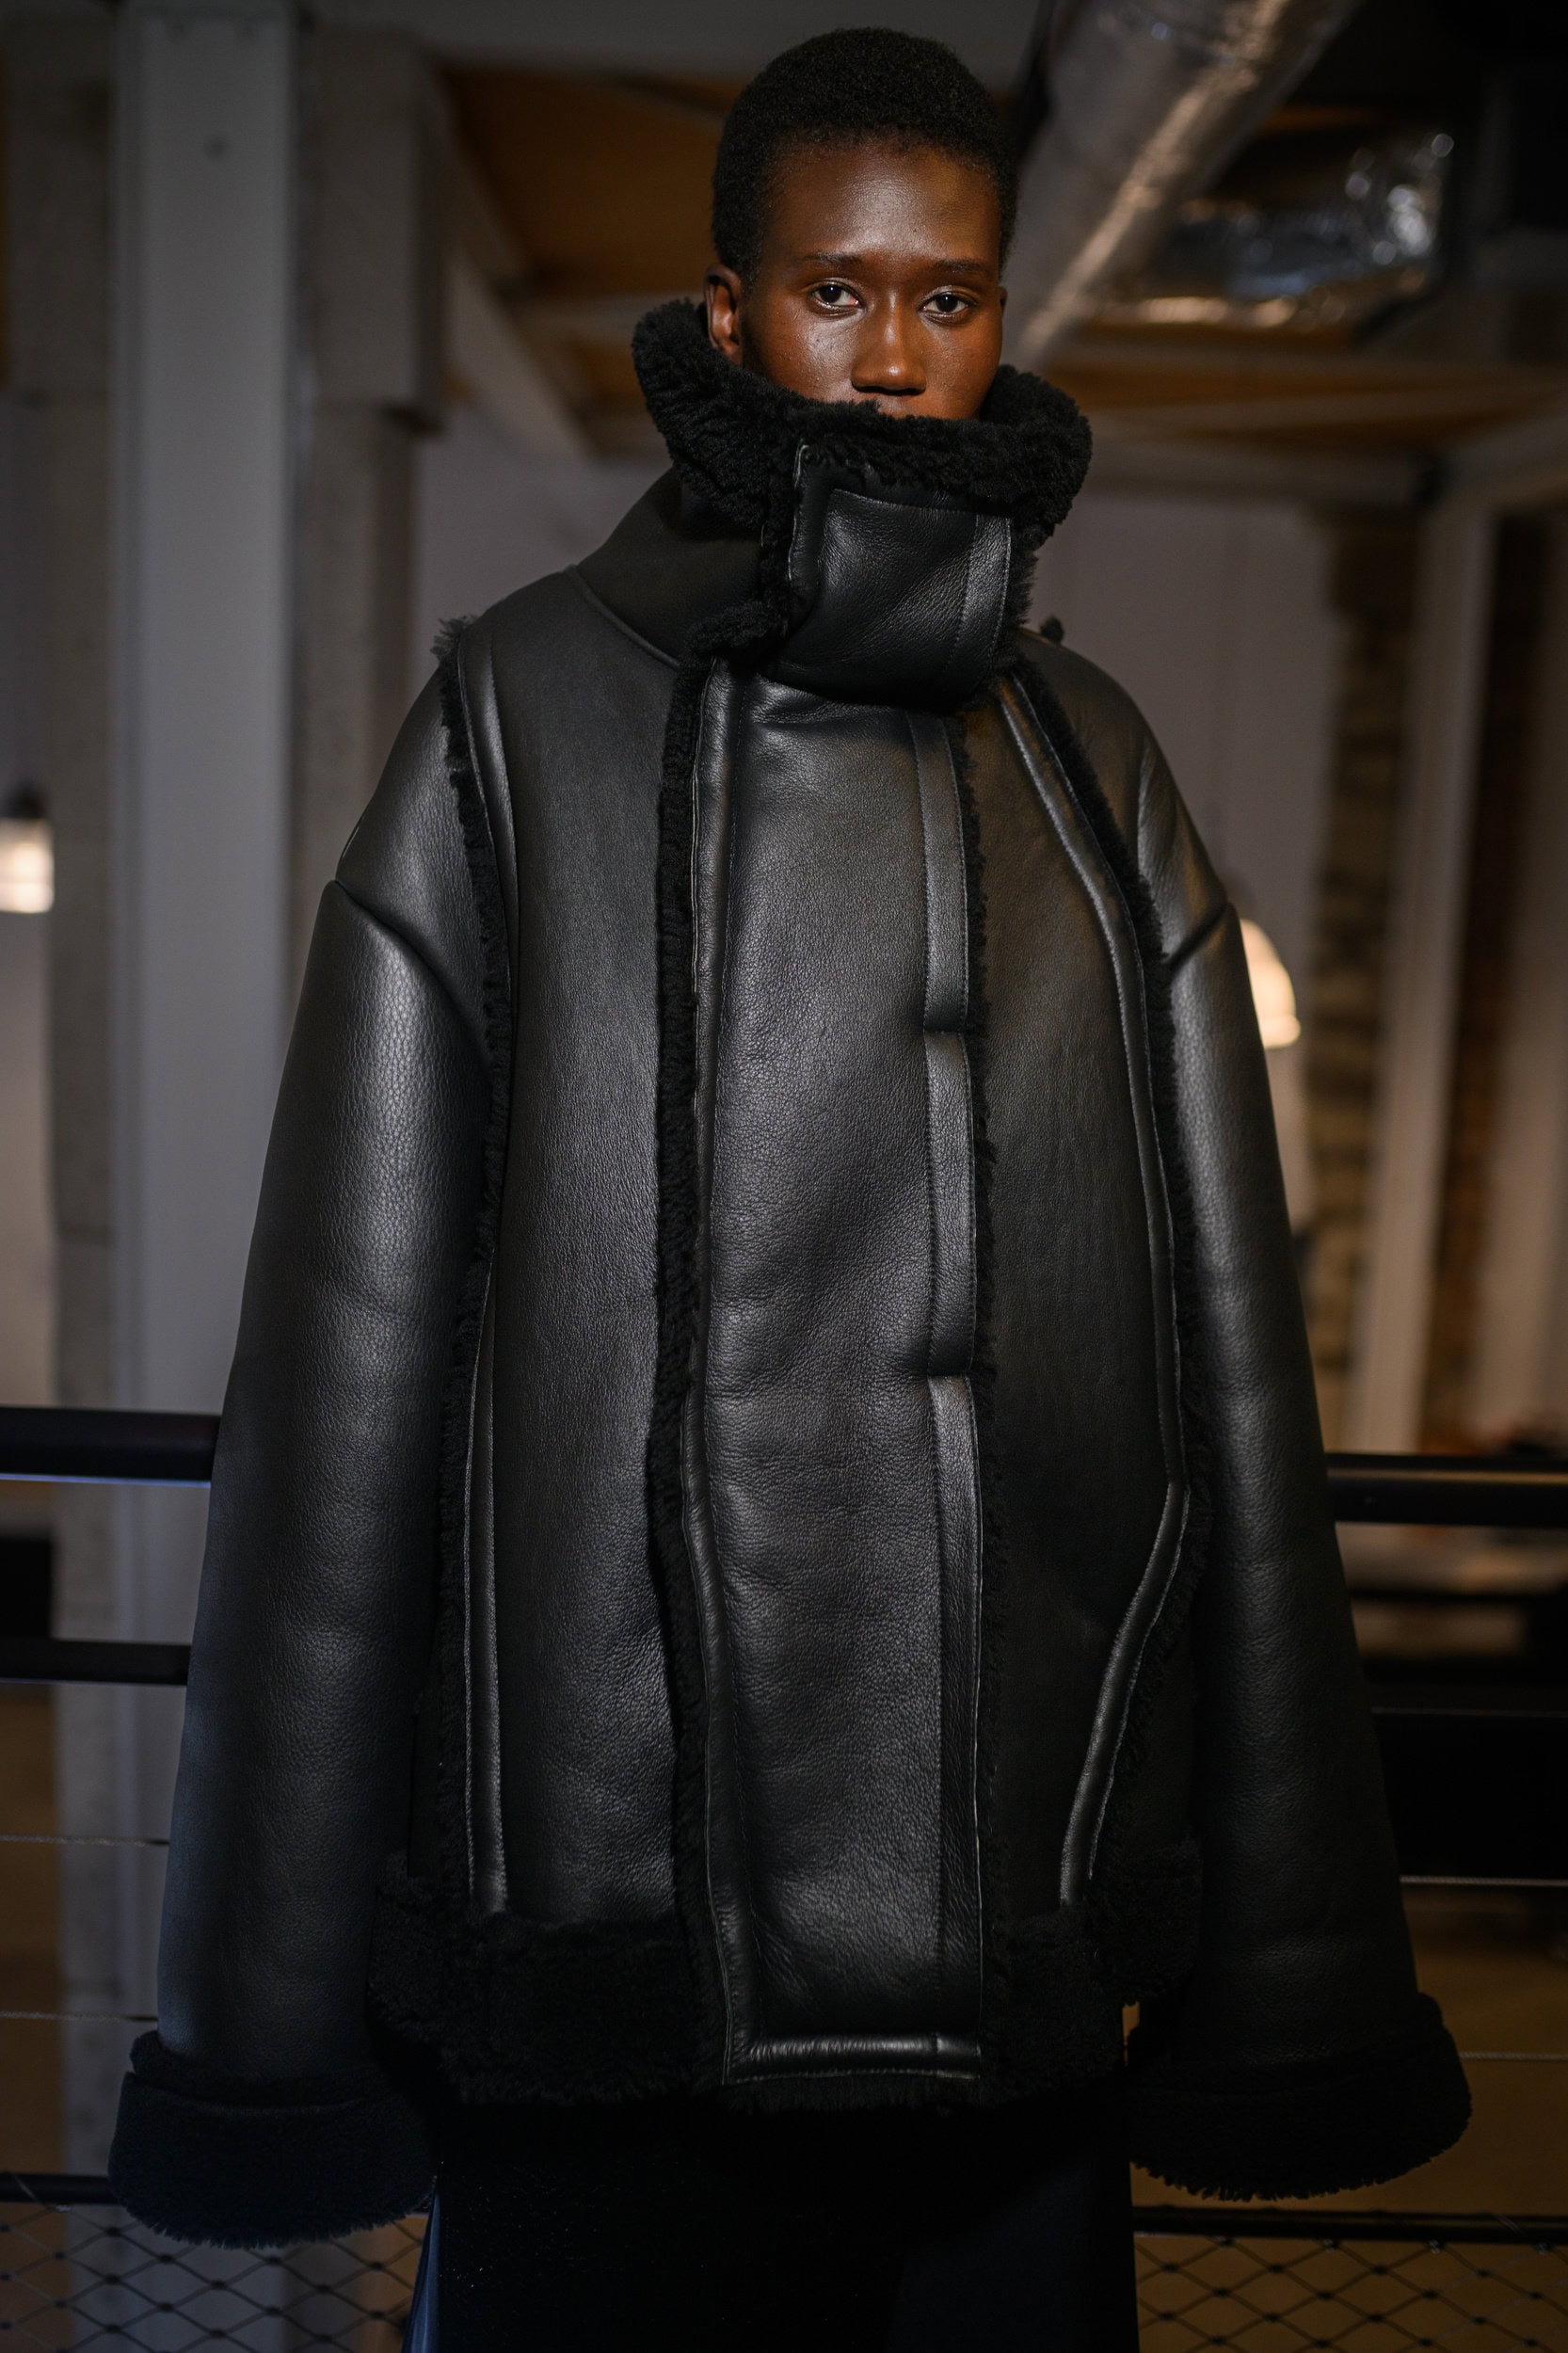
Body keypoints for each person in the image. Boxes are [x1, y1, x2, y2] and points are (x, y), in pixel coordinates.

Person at [109, 28, 1468, 2347]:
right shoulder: (520, 715)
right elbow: (342, 1380)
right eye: (836, 293)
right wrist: (264, 2020)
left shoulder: (1087, 761)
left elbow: (1228, 1378)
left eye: (946, 298)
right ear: (729, 311)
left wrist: (1288, 1968)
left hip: (1004, 1912)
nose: (893, 354)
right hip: (604, 1929)